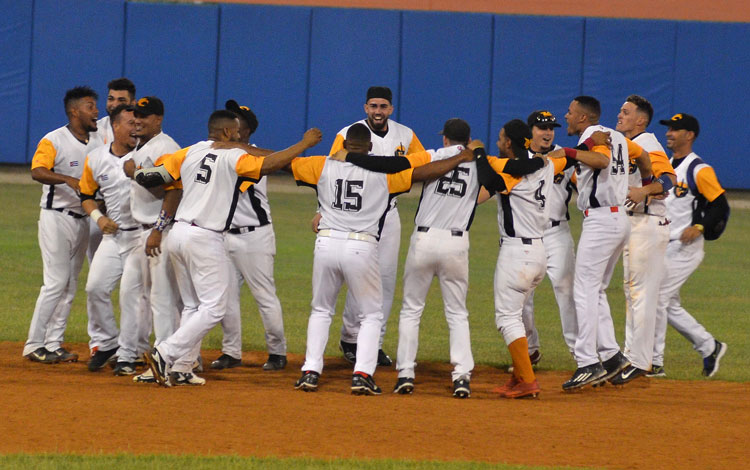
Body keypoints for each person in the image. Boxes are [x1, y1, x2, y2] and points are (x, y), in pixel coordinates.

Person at [140, 111, 322, 387]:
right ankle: (165, 352)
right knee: (214, 307)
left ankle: (183, 367)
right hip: (204, 237)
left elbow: (152, 175)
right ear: (226, 133)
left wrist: (135, 170)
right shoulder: (234, 156)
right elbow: (268, 164)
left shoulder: (190, 151)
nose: (240, 137)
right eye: (236, 132)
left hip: (178, 233)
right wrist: (303, 144)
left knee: (192, 304)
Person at [292, 123, 474, 395]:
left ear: (343, 147)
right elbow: (424, 170)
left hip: (326, 243)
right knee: (372, 315)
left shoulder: (322, 165)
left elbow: (280, 162)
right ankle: (362, 374)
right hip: (360, 246)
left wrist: (303, 144)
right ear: (371, 148)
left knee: (321, 310)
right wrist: (460, 157)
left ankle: (310, 370)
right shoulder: (385, 175)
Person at [326, 86, 425, 367]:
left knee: (384, 279)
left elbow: (418, 167)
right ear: (365, 107)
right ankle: (350, 337)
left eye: (383, 106)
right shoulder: (348, 134)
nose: (378, 111)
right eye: (373, 106)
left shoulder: (405, 135)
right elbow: (331, 172)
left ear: (391, 109)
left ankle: (375, 343)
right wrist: (321, 211)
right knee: (355, 274)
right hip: (354, 215)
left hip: (389, 213)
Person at [558, 96, 652, 391]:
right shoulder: (622, 139)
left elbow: (601, 160)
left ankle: (587, 362)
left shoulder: (592, 136)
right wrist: (646, 181)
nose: (567, 116)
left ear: (584, 118)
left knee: (583, 290)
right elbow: (645, 158)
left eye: (571, 113)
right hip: (618, 219)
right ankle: (612, 357)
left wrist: (568, 152)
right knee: (595, 289)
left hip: (601, 220)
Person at [476, 119, 571, 399]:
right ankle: (519, 377)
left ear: (508, 143)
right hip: (540, 249)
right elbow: (561, 158)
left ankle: (528, 380)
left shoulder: (508, 171)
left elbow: (487, 183)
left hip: (517, 252)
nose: (498, 141)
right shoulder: (545, 166)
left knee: (507, 318)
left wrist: (479, 153)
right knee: (516, 314)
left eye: (501, 138)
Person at [23, 86, 103, 364]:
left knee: (70, 286)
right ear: (74, 111)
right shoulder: (53, 139)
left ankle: (53, 343)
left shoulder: (98, 140)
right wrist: (67, 179)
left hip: (83, 220)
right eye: (91, 106)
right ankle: (34, 344)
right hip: (55, 218)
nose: (96, 111)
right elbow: (37, 171)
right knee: (56, 283)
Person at [211, 99, 288, 371]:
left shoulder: (255, 157)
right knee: (226, 297)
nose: (228, 127)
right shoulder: (220, 154)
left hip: (255, 236)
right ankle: (231, 352)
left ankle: (277, 352)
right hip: (223, 236)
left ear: (243, 132)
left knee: (264, 296)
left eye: (235, 123)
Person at [650, 113, 729, 378]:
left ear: (689, 135)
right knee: (668, 303)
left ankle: (654, 362)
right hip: (663, 244)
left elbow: (720, 205)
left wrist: (700, 227)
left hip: (684, 249)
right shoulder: (668, 165)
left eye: (676, 129)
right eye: (669, 129)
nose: (669, 133)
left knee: (657, 298)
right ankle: (710, 346)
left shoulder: (698, 169)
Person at [608, 95, 677, 385]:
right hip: (635, 224)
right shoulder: (625, 146)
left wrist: (645, 192)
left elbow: (670, 180)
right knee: (633, 293)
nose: (619, 115)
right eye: (621, 110)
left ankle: (639, 360)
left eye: (626, 112)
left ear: (641, 120)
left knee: (641, 294)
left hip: (648, 224)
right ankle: (633, 356)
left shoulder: (648, 143)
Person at [78, 105, 145, 373]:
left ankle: (130, 354)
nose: (135, 128)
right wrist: (99, 219)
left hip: (140, 237)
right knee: (94, 288)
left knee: (131, 297)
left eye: (138, 123)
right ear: (115, 127)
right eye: (130, 123)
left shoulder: (147, 155)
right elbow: (86, 195)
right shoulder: (95, 158)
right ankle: (106, 343)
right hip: (113, 238)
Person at [122, 96, 183, 383]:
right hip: (142, 231)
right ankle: (139, 353)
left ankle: (168, 362)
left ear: (158, 119)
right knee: (136, 293)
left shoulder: (166, 147)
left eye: (144, 116)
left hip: (159, 232)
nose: (137, 121)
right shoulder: (145, 146)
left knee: (163, 300)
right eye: (135, 116)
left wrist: (158, 229)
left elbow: (173, 190)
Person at [517, 110, 578, 367]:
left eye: (551, 128)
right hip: (526, 236)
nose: (548, 132)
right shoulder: (517, 159)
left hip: (557, 233)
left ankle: (581, 356)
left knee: (566, 293)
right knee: (520, 296)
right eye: (542, 128)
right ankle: (530, 350)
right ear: (530, 131)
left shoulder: (564, 158)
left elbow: (583, 189)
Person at [87, 78, 137, 264]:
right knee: (97, 271)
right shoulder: (94, 130)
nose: (114, 104)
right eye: (111, 98)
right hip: (99, 210)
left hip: (132, 210)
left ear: (132, 102)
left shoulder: (139, 128)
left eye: (121, 100)